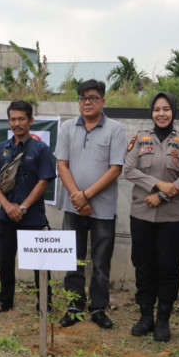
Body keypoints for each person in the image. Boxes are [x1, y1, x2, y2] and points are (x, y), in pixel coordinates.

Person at [123, 92, 179, 341]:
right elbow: (129, 169)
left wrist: (162, 196)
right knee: (143, 266)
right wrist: (158, 184)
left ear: (173, 112)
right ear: (151, 112)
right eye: (157, 109)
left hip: (173, 217)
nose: (161, 114)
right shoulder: (140, 139)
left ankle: (164, 319)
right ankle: (146, 316)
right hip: (141, 214)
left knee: (168, 268)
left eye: (166, 109)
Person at [56, 79, 127, 329]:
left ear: (103, 101)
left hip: (103, 208)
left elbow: (115, 169)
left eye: (93, 97)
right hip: (72, 206)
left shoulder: (116, 129)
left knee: (101, 261)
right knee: (72, 258)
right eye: (83, 98)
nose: (87, 102)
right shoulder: (67, 128)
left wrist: (85, 196)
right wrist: (77, 196)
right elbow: (61, 165)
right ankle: (74, 306)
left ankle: (98, 308)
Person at [0, 100, 56, 315]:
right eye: (13, 119)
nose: (17, 123)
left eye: (21, 119)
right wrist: (7, 206)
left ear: (30, 120)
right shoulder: (2, 149)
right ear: (8, 122)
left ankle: (45, 304)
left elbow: (44, 181)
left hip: (32, 217)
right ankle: (5, 301)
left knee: (40, 265)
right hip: (7, 217)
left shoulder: (40, 148)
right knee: (5, 262)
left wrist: (22, 208)